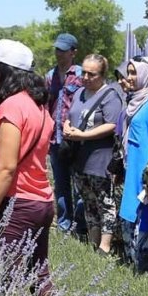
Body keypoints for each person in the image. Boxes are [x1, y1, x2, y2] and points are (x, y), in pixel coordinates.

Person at [0, 39, 54, 296]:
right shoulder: (38, 105)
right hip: (41, 201)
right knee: (39, 274)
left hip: (17, 203)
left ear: (6, 72)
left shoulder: (11, 106)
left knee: (8, 280)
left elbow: (7, 167)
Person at [62, 54, 124, 255]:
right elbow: (71, 115)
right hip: (80, 159)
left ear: (102, 75)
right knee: (88, 202)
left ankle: (105, 246)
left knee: (105, 202)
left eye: (92, 74)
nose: (86, 77)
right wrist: (67, 126)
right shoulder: (80, 92)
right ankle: (93, 241)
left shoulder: (110, 96)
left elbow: (112, 125)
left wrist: (84, 135)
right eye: (84, 73)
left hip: (100, 160)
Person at [117, 56, 148, 275]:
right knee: (131, 216)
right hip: (133, 168)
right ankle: (135, 267)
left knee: (147, 219)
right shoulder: (136, 99)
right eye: (128, 72)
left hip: (146, 172)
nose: (129, 77)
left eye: (134, 72)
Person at [45, 33, 83, 233]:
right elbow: (46, 105)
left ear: (73, 52)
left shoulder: (81, 74)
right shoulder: (49, 76)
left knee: (79, 184)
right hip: (55, 138)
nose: (59, 53)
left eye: (63, 50)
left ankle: (81, 226)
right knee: (60, 184)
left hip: (75, 138)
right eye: (57, 49)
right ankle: (64, 225)